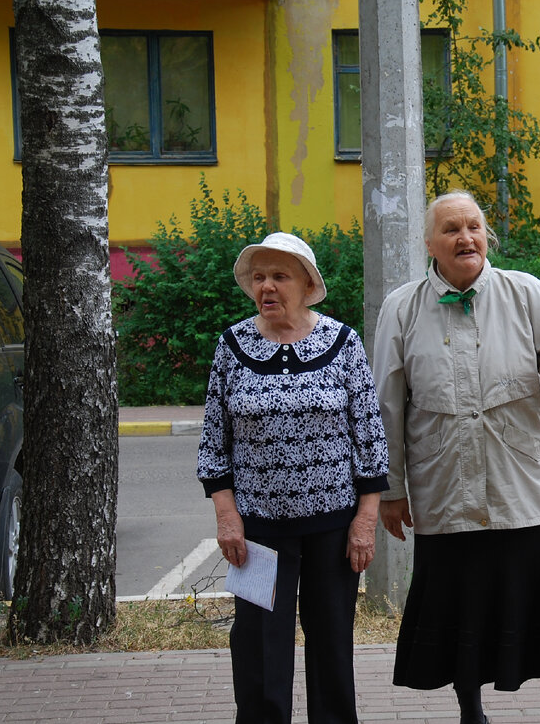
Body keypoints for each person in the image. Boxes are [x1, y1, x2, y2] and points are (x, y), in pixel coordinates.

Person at [372, 190, 540, 724]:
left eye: (474, 227)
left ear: (486, 236)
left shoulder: (525, 293)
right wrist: (390, 490)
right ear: (430, 243)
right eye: (451, 229)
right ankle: (470, 712)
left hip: (516, 485)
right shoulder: (402, 307)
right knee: (461, 609)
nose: (465, 238)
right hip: (444, 487)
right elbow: (387, 402)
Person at [197, 231, 390, 724]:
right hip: (258, 531)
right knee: (259, 652)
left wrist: (365, 520)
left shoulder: (343, 343)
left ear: (307, 284)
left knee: (331, 646)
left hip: (332, 529)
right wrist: (227, 516)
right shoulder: (231, 346)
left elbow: (370, 438)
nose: (267, 287)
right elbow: (214, 441)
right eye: (259, 277)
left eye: (280, 276)